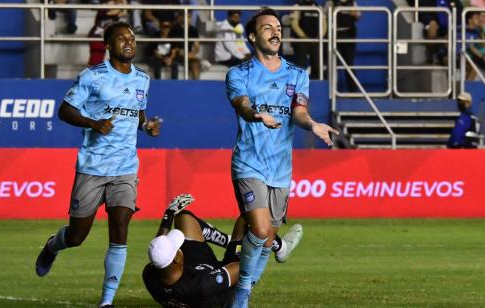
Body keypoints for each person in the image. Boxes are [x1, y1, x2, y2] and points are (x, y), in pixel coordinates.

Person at [35, 22, 162, 308]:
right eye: (121, 38)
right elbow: (65, 110)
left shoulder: (142, 79)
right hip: (93, 167)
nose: (129, 42)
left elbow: (139, 113)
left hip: (126, 168)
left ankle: (107, 301)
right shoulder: (93, 76)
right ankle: (54, 245)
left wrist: (146, 125)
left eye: (131, 38)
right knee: (78, 235)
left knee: (120, 227)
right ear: (108, 44)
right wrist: (93, 123)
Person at [225, 7, 339, 307]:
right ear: (252, 36)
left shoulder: (298, 74)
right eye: (267, 28)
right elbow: (242, 105)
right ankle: (241, 297)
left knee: (265, 239)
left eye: (278, 27)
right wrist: (255, 114)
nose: (276, 31)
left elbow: (299, 113)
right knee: (260, 230)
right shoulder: (239, 74)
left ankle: (243, 288)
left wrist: (312, 124)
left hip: (280, 168)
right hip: (249, 163)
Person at [142, 194, 304, 307]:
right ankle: (280, 247)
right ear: (177, 258)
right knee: (248, 221)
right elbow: (243, 266)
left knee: (183, 218)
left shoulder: (150, 274)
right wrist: (244, 244)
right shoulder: (203, 286)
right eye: (177, 248)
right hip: (224, 283)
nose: (179, 247)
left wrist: (168, 216)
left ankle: (229, 241)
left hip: (194, 270)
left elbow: (158, 251)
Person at [290, 0, 327, 79]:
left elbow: (324, 24)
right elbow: (294, 24)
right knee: (300, 66)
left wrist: (320, 36)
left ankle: (316, 85)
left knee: (317, 66)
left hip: (316, 40)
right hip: (301, 41)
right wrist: (303, 37)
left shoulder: (318, 7)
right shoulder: (297, 6)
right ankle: (299, 87)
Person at [329, 0, 360, 92]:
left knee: (349, 64)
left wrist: (352, 12)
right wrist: (333, 10)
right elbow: (325, 14)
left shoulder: (352, 3)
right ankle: (331, 91)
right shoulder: (331, 2)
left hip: (349, 36)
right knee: (332, 64)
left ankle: (352, 91)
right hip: (334, 36)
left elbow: (358, 15)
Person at [88, 0, 128, 66]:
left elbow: (123, 13)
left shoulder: (119, 10)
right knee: (95, 61)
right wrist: (121, 7)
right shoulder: (104, 7)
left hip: (107, 37)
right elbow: (110, 13)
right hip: (97, 36)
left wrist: (124, 7)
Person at [170, 10, 201, 80]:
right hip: (176, 55)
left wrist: (191, 54)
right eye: (187, 16)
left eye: (190, 17)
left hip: (188, 55)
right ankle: (174, 85)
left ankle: (196, 85)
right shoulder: (175, 29)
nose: (189, 19)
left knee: (195, 63)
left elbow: (197, 48)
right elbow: (174, 47)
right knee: (175, 64)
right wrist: (183, 53)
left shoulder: (193, 30)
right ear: (180, 17)